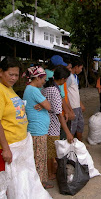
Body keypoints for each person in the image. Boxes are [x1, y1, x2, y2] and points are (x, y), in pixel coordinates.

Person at [0, 57, 51, 198]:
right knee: (10, 184)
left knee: (21, 182)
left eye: (16, 75)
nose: (14, 78)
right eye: (10, 74)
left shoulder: (9, 89)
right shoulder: (0, 91)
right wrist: (5, 149)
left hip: (20, 143)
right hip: (10, 146)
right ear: (0, 72)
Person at [22, 66, 53, 189]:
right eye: (43, 79)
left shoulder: (29, 89)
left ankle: (39, 181)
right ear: (37, 78)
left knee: (38, 156)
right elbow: (49, 106)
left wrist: (42, 105)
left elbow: (45, 105)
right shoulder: (33, 90)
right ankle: (39, 184)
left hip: (37, 128)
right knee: (40, 157)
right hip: (37, 129)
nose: (44, 82)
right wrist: (44, 105)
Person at [41, 66, 73, 180]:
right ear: (63, 79)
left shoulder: (47, 87)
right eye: (65, 80)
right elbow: (59, 114)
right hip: (52, 125)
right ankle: (50, 173)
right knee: (51, 151)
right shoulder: (54, 90)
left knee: (50, 150)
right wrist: (68, 132)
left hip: (45, 122)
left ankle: (51, 170)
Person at [45, 55, 74, 122]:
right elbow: (62, 97)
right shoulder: (57, 77)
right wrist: (67, 112)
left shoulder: (44, 73)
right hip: (57, 111)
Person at [66, 59, 85, 141]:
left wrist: (80, 104)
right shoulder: (69, 77)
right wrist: (69, 108)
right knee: (72, 126)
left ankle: (79, 144)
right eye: (80, 68)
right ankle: (71, 146)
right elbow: (64, 93)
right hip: (73, 106)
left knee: (80, 124)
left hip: (77, 106)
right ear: (76, 67)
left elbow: (75, 92)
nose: (81, 70)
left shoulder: (75, 77)